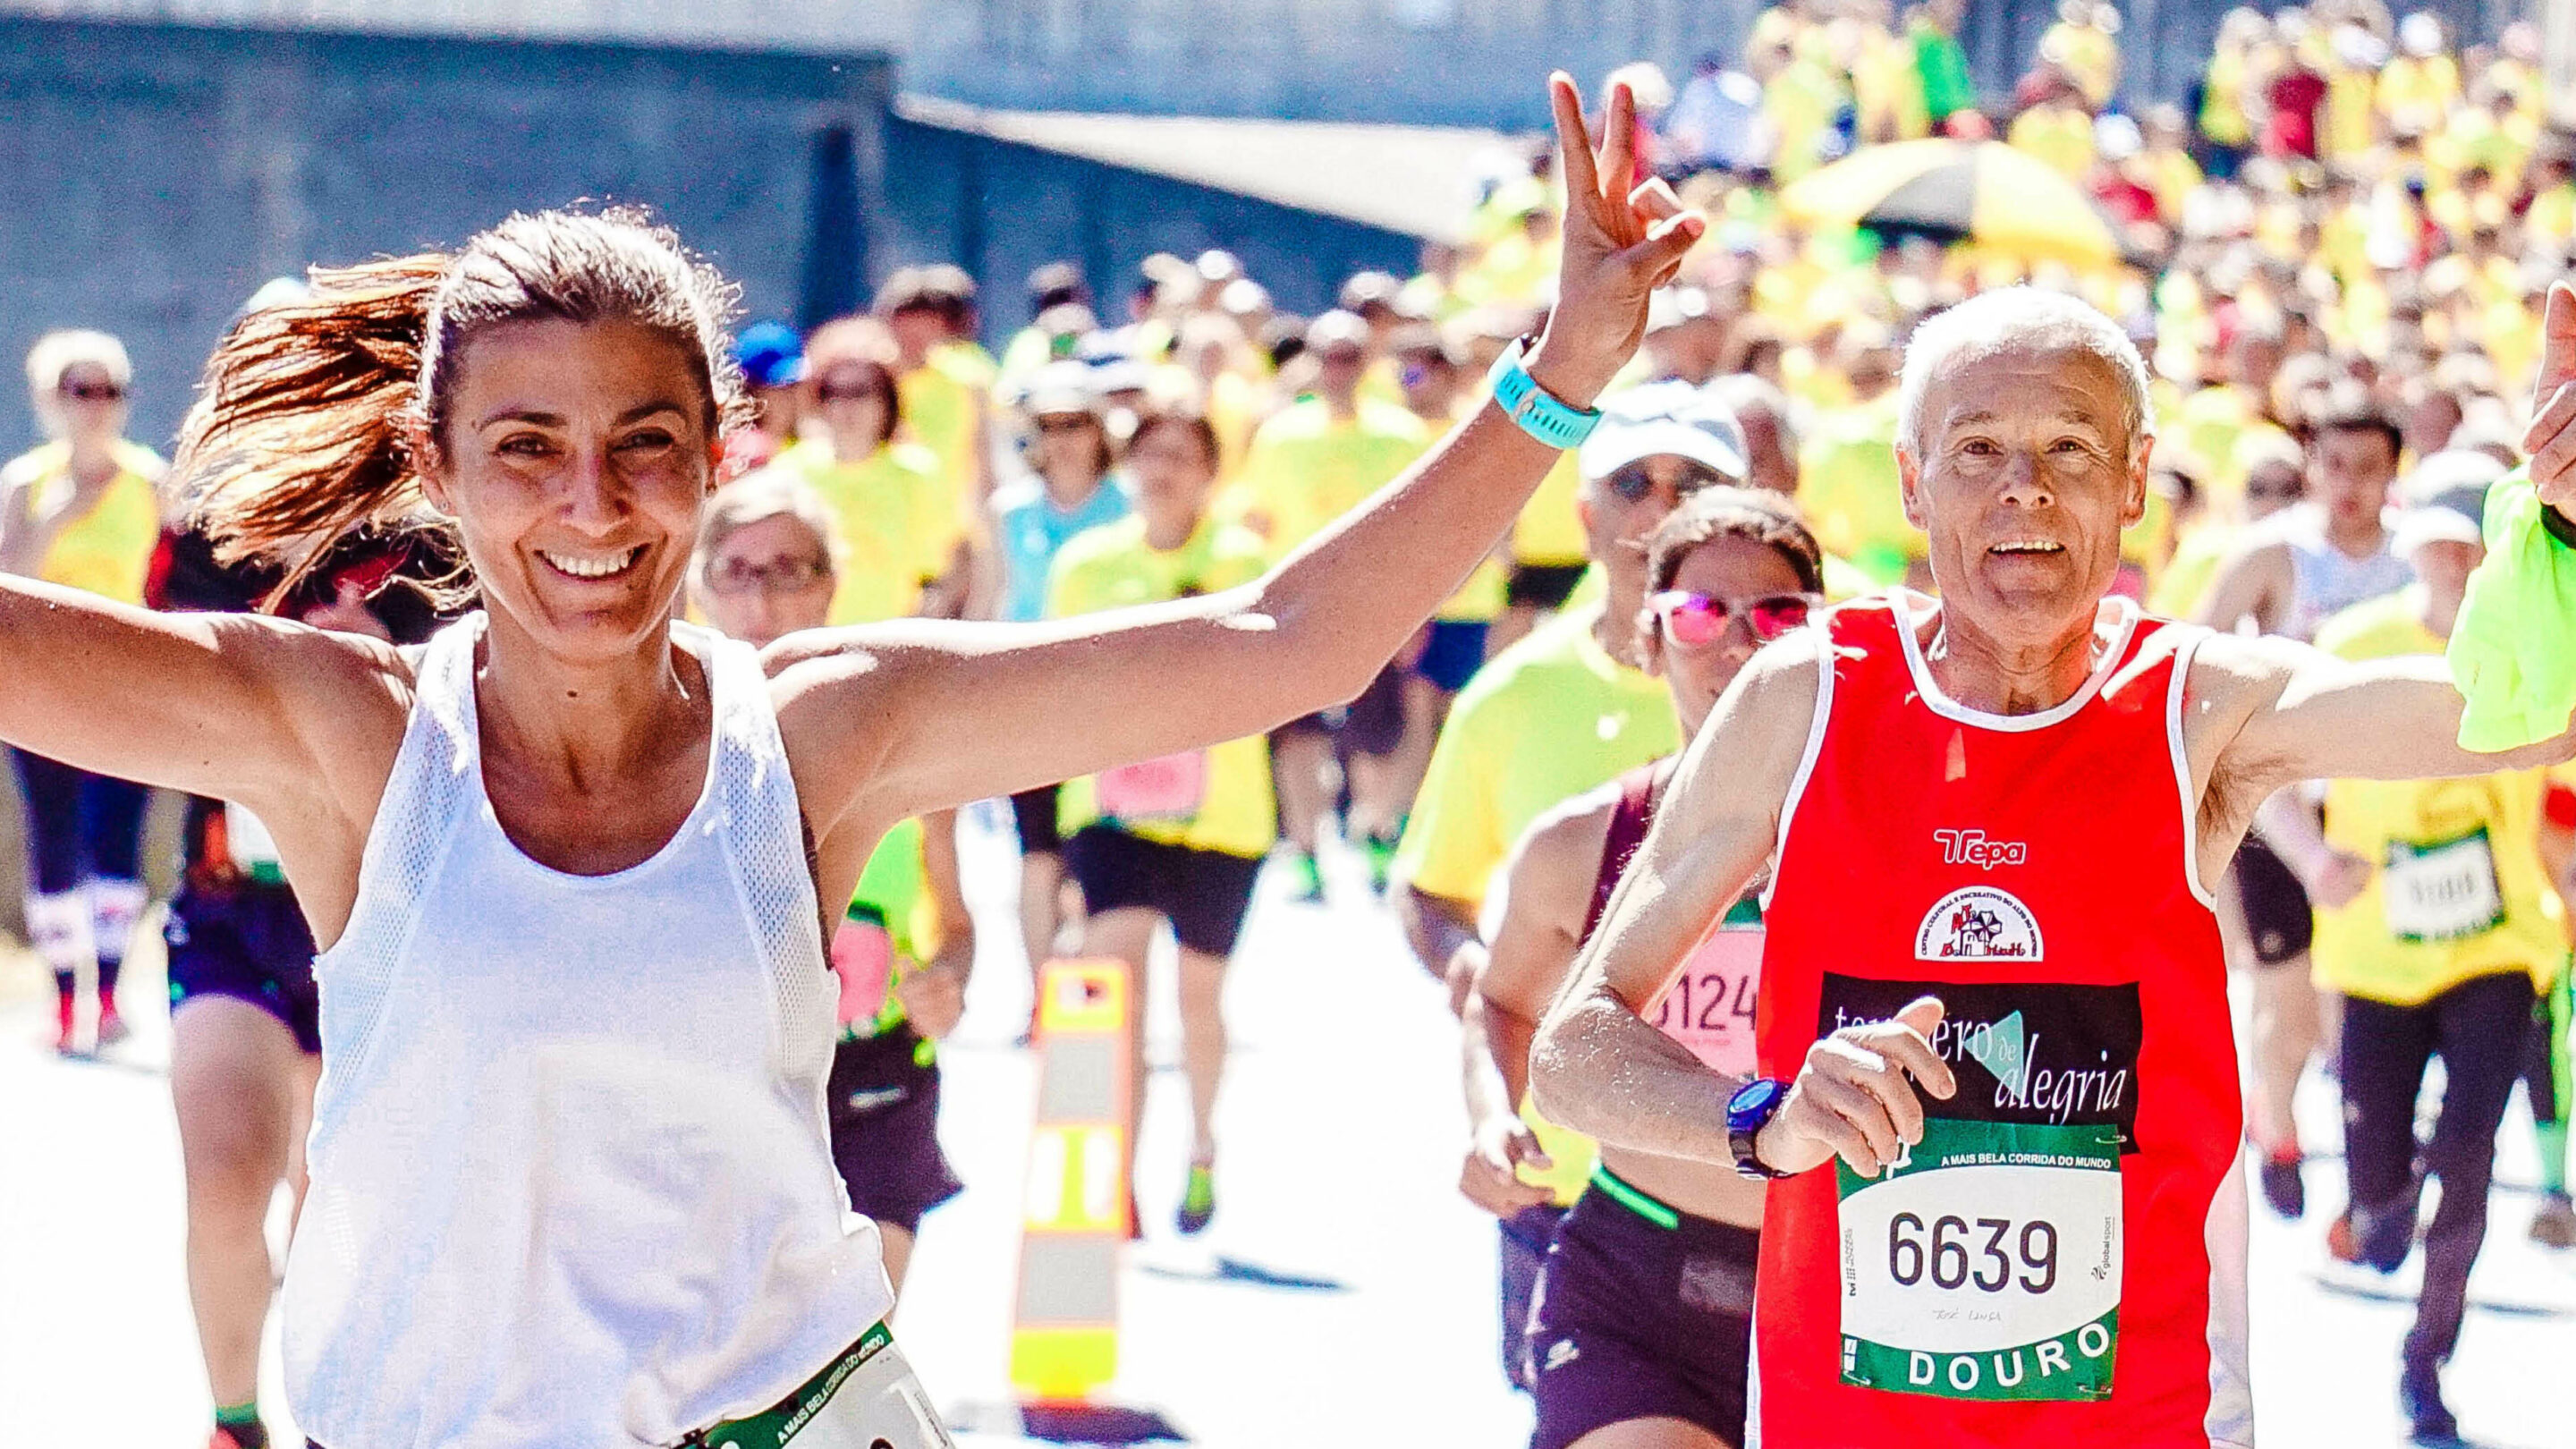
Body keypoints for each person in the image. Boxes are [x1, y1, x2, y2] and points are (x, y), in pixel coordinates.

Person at [1, 80, 1690, 1441]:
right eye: (526, 453)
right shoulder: (350, 738)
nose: (592, 509)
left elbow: (1281, 647)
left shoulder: (822, 730)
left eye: (643, 448)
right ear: (435, 474)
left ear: (723, 458)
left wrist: (1565, 373)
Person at [1530, 284, 2576, 1449]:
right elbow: (1573, 1053)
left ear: (2135, 480)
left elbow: (2523, 718)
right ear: (1913, 481)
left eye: (2069, 447)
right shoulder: (1810, 693)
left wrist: (2568, 528)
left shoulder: (2198, 708)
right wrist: (1762, 1119)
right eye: (1978, 448)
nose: (2023, 486)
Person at [1399, 380, 1750, 1391]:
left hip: (1767, 1173)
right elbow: (1431, 887)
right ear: (1588, 512)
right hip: (1570, 1168)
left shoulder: (1821, 662)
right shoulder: (1513, 695)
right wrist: (1473, 971)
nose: (1661, 504)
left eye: (1695, 482)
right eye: (1635, 480)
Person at [1462, 487, 1823, 1447]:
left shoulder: (1901, 844)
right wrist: (1493, 1117)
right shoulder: (1582, 843)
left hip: (1846, 1283)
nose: (1740, 642)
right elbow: (1500, 1001)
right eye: (1701, 613)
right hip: (1638, 1283)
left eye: (1780, 614)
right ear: (1650, 640)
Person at [2250, 500, 2574, 1442]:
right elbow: (2264, 767)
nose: (2453, 555)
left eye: (2473, 538)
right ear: (2410, 545)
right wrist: (2313, 862)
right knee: (2386, 1227)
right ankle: (2384, 1207)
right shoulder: (2354, 641)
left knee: (2470, 1165)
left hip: (2499, 946)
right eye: (2436, 535)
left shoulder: (2544, 647)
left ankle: (2426, 1362)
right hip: (2379, 958)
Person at [152, 517, 448, 1449]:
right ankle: (235, 1423)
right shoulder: (207, 540)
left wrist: (372, 649)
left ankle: (337, 1418)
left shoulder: (429, 536)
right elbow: (157, 682)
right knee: (225, 1177)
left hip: (377, 909)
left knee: (336, 1204)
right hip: (235, 905)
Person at [690, 473, 972, 1294]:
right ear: (699, 585)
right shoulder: (656, 744)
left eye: (790, 569)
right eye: (738, 570)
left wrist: (949, 982)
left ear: (831, 582)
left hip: (878, 1069)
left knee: (862, 1329)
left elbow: (956, 926)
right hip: (726, 1082)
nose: (762, 597)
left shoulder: (896, 735)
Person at [1046, 407, 1274, 1234]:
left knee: (1198, 1002)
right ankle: (1115, 1179)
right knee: (1117, 988)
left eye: (1182, 456)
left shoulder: (1245, 560)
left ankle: (1201, 1149)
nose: (1164, 470)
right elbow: (1056, 678)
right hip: (1112, 809)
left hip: (1223, 816)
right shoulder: (1086, 565)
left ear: (1212, 474)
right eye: (1149, 453)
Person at [2197, 399, 2415, 1217]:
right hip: (2281, 813)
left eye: (2368, 468)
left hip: (2380, 811)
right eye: (2334, 465)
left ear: (2394, 471)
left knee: (2356, 1009)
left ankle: (2374, 1166)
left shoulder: (2413, 561)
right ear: (2310, 464)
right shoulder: (2274, 556)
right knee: (2286, 1002)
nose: (2349, 486)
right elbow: (2194, 661)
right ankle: (2278, 1136)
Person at [0, 327, 165, 1054]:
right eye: (79, 389)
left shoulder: (155, 482)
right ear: (49, 399)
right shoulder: (25, 483)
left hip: (129, 683)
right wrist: (66, 507)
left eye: (109, 390)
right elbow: (10, 581)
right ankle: (65, 1004)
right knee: (55, 839)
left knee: (117, 839)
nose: (96, 405)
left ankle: (110, 994)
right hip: (40, 684)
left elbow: (177, 585)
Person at [1233, 309, 1434, 901]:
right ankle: (1306, 848)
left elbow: (1420, 529)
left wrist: (1416, 610)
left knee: (1375, 737)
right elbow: (1255, 519)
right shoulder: (1279, 435)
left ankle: (1373, 830)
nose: (1338, 368)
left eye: (1350, 355)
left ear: (1367, 361)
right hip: (1293, 606)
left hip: (1376, 606)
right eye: (1328, 355)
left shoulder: (1400, 433)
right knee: (1297, 737)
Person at [992, 361, 1131, 1016]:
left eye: (1075, 422)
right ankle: (1039, 997)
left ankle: (1087, 989)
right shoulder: (1010, 511)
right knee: (1037, 853)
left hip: (1107, 699)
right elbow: (993, 602)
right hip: (1027, 697)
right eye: (1049, 424)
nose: (1064, 437)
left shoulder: (1125, 505)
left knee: (1094, 855)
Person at [765, 326, 969, 624]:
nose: (848, 406)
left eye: (861, 392)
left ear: (887, 400)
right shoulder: (789, 472)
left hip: (890, 643)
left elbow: (942, 570)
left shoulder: (919, 472)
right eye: (835, 392)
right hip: (807, 639)